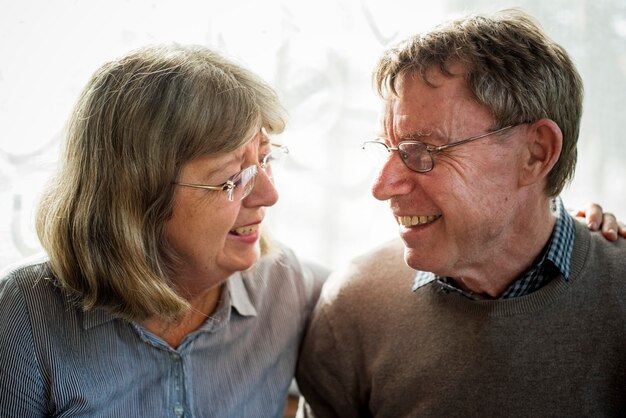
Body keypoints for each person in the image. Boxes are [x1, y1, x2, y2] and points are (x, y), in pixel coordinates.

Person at [296, 9, 626, 417]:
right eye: (390, 149)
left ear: (535, 153)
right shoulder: (352, 309)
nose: (382, 187)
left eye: (422, 151)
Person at [0, 44, 327, 417]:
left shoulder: (286, 285)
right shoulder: (24, 313)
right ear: (136, 197)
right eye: (234, 179)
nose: (269, 196)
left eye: (266, 159)